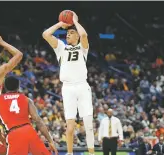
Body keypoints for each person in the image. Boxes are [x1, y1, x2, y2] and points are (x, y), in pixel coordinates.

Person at [42, 11, 94, 155]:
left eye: (71, 33)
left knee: (88, 124)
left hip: (82, 86)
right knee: (69, 127)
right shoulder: (61, 48)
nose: (68, 35)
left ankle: (92, 153)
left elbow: (84, 35)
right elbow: (46, 34)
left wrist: (75, 22)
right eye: (67, 33)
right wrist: (61, 24)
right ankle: (70, 153)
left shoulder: (83, 48)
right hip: (68, 87)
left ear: (76, 35)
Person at [0, 76, 58, 155]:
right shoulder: (27, 99)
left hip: (14, 133)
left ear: (4, 87)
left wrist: (2, 140)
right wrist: (50, 141)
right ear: (18, 87)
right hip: (29, 131)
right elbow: (38, 120)